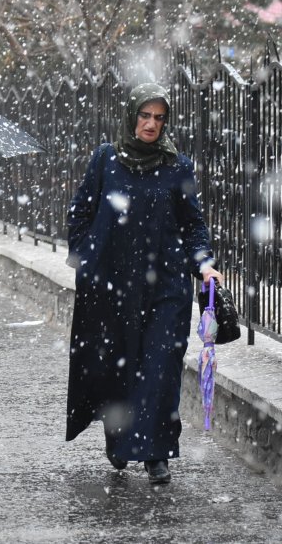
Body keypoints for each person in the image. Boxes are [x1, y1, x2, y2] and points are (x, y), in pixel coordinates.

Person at [65, 83, 224, 485]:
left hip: (167, 284)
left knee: (161, 367)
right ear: (131, 115)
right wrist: (86, 259)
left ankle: (156, 452)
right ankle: (119, 439)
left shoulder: (177, 166)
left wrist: (204, 264)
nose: (151, 124)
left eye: (159, 117)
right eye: (145, 115)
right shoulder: (106, 159)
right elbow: (80, 212)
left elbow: (192, 226)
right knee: (119, 364)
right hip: (113, 284)